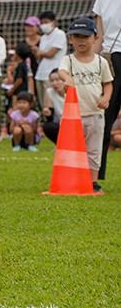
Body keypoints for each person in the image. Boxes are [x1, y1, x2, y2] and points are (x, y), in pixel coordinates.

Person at [58, 17, 114, 192]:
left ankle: (92, 182)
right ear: (70, 39)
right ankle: (70, 180)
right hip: (73, 116)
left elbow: (108, 83)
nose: (81, 41)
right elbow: (62, 71)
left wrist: (106, 98)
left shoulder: (101, 62)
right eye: (77, 36)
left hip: (96, 114)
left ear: (95, 38)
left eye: (85, 36)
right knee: (71, 148)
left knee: (94, 150)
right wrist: (67, 79)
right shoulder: (68, 60)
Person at [96, 0, 121, 180]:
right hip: (111, 61)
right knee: (104, 118)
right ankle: (96, 176)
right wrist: (90, 64)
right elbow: (99, 36)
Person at [33, 11, 66, 107]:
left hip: (53, 74)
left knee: (52, 102)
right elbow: (39, 56)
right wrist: (39, 53)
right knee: (42, 103)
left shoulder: (59, 34)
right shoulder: (43, 37)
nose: (43, 25)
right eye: (42, 23)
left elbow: (51, 53)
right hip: (40, 73)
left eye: (46, 22)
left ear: (54, 22)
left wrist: (40, 52)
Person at [41, 68, 66, 144]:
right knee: (48, 127)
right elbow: (49, 116)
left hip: (74, 122)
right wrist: (47, 112)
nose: (54, 83)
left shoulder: (73, 91)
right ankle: (60, 144)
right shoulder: (49, 92)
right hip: (59, 123)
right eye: (52, 81)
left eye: (58, 80)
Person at [22, 15, 42, 81]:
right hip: (25, 75)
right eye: (27, 26)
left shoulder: (43, 41)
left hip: (41, 73)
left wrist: (37, 52)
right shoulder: (23, 43)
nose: (28, 28)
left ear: (38, 28)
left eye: (31, 26)